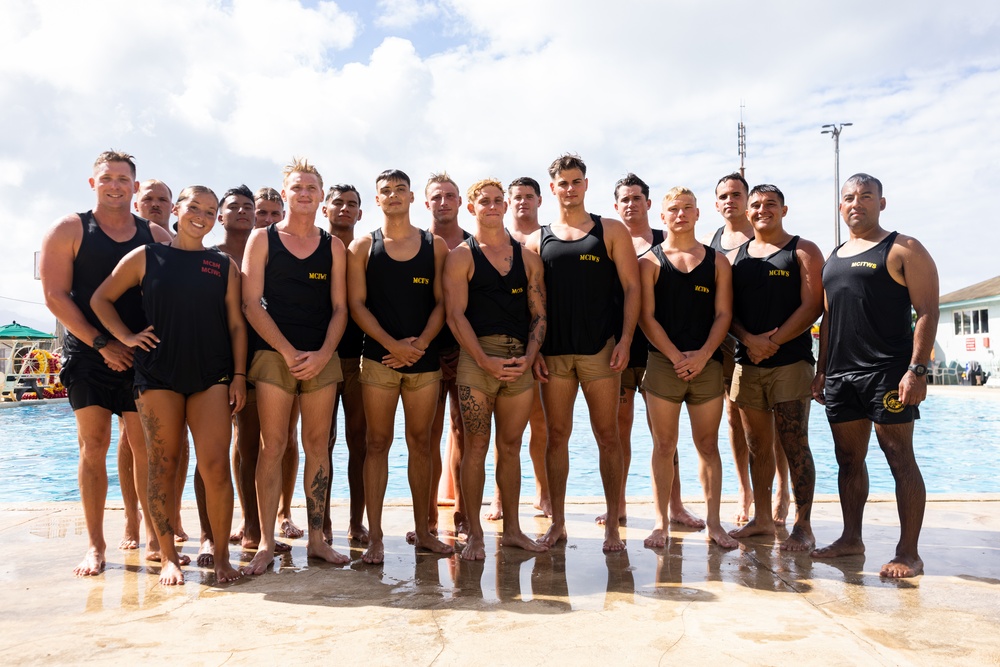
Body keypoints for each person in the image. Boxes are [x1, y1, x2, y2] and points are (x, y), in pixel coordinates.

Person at [91, 185, 246, 585]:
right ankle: (169, 556)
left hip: (210, 376)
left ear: (217, 219)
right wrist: (124, 337)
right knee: (164, 464)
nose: (202, 215)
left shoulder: (222, 264)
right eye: (194, 207)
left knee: (214, 467)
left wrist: (240, 376)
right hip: (158, 375)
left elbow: (235, 324)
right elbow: (100, 299)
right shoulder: (147, 256)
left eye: (210, 211)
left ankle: (224, 557)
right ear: (177, 209)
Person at [40, 150, 171, 576]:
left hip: (141, 356)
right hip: (88, 354)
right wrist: (102, 344)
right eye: (107, 177)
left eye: (123, 179)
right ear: (93, 183)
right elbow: (56, 296)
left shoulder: (155, 236)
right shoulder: (69, 229)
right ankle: (95, 546)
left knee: (145, 449)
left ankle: (155, 536)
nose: (115, 184)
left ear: (135, 188)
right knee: (92, 446)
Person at [811, 173, 939, 578]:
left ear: (882, 203)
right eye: (849, 197)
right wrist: (822, 369)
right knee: (848, 460)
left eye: (866, 196)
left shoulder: (903, 248)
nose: (856, 203)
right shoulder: (835, 255)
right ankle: (851, 539)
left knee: (899, 457)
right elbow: (829, 317)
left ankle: (909, 552)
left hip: (887, 373)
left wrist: (917, 370)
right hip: (842, 376)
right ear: (840, 206)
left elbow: (928, 312)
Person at [524, 154, 640, 552]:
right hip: (554, 355)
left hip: (600, 352)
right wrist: (533, 349)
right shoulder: (536, 239)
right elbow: (532, 301)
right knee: (556, 437)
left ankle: (612, 526)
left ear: (586, 185)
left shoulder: (610, 231)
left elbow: (632, 289)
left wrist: (624, 340)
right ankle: (557, 523)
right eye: (563, 183)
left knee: (608, 436)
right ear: (551, 188)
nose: (569, 189)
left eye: (576, 181)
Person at [242, 159, 350, 575]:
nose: (304, 193)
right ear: (284, 193)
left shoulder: (333, 246)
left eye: (311, 188)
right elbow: (251, 303)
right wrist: (287, 351)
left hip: (322, 355)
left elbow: (340, 308)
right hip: (274, 355)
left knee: (317, 446)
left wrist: (323, 353)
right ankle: (268, 543)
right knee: (274, 446)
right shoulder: (262, 239)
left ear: (321, 197)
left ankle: (318, 539)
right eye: (297, 187)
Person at [346, 169, 453, 564]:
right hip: (378, 361)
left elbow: (443, 302)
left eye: (400, 190)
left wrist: (421, 344)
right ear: (378, 200)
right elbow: (356, 305)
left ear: (412, 198)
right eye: (385, 191)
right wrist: (392, 345)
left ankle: (424, 531)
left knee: (421, 445)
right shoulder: (362, 247)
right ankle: (375, 537)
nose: (393, 196)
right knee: (376, 444)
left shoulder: (434, 245)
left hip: (424, 363)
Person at [443, 178, 549, 560]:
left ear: (506, 206)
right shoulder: (462, 256)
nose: (492, 206)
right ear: (471, 208)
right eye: (484, 201)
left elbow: (539, 315)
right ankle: (474, 534)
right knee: (476, 446)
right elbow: (455, 316)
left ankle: (515, 530)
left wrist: (531, 353)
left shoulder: (529, 258)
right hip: (477, 360)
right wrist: (484, 359)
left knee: (511, 447)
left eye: (497, 201)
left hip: (519, 358)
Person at [639, 187, 738, 549]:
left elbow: (724, 314)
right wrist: (676, 356)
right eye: (673, 210)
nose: (680, 214)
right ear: (662, 217)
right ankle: (660, 523)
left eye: (686, 209)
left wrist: (701, 355)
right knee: (664, 445)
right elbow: (646, 317)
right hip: (664, 365)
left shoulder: (718, 262)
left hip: (707, 364)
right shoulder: (649, 262)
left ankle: (714, 523)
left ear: (698, 214)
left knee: (707, 445)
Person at [727, 185, 824, 551]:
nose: (762, 210)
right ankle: (763, 518)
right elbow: (727, 312)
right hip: (747, 363)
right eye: (755, 205)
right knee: (757, 447)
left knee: (795, 443)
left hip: (791, 364)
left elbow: (812, 304)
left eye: (770, 204)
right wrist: (749, 341)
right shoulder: (736, 257)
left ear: (784, 209)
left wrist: (774, 341)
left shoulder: (802, 250)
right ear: (747, 212)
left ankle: (803, 524)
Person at [610, 173, 702, 530]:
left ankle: (675, 506)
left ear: (650, 205)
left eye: (637, 198)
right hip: (619, 350)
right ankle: (617, 504)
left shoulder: (670, 240)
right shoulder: (609, 243)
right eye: (625, 200)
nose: (631, 204)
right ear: (616, 207)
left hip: (661, 353)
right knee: (618, 431)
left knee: (666, 436)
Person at [706, 172, 790, 524]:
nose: (731, 201)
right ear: (716, 203)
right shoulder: (713, 241)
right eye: (724, 195)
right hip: (728, 344)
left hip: (771, 342)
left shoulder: (763, 234)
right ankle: (745, 491)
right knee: (734, 418)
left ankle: (784, 491)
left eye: (737, 194)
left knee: (780, 420)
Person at [118, 178, 190, 548]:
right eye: (150, 199)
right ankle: (133, 520)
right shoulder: (128, 240)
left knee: (176, 440)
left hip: (163, 350)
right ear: (136, 202)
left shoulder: (169, 244)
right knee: (130, 439)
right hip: (121, 348)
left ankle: (170, 515)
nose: (157, 204)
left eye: (164, 199)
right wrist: (114, 341)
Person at [225, 187, 297, 552]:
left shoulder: (281, 248)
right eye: (262, 213)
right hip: (237, 357)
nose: (267, 219)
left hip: (272, 354)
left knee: (286, 440)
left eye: (273, 213)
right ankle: (248, 517)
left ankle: (282, 512)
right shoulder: (229, 254)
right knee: (245, 440)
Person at [485, 177, 550, 521]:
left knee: (540, 424)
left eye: (529, 196)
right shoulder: (494, 240)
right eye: (517, 197)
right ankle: (498, 497)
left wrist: (536, 351)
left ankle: (543, 493)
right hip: (500, 344)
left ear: (540, 199)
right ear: (508, 202)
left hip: (538, 344)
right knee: (503, 430)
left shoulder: (546, 240)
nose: (523, 201)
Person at [425, 173, 471, 536]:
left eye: (450, 196)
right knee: (425, 434)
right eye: (437, 197)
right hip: (424, 352)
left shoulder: (473, 246)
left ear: (460, 203)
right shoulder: (416, 244)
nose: (444, 202)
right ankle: (425, 516)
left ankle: (462, 513)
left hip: (464, 352)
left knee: (463, 431)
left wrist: (463, 349)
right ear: (426, 203)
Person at [323, 184, 369, 543]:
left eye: (351, 204)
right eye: (337, 202)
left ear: (360, 213)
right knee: (320, 443)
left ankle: (356, 522)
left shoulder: (365, 251)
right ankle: (320, 522)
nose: (344, 208)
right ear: (325, 209)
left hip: (360, 359)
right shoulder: (314, 248)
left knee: (360, 442)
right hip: (321, 359)